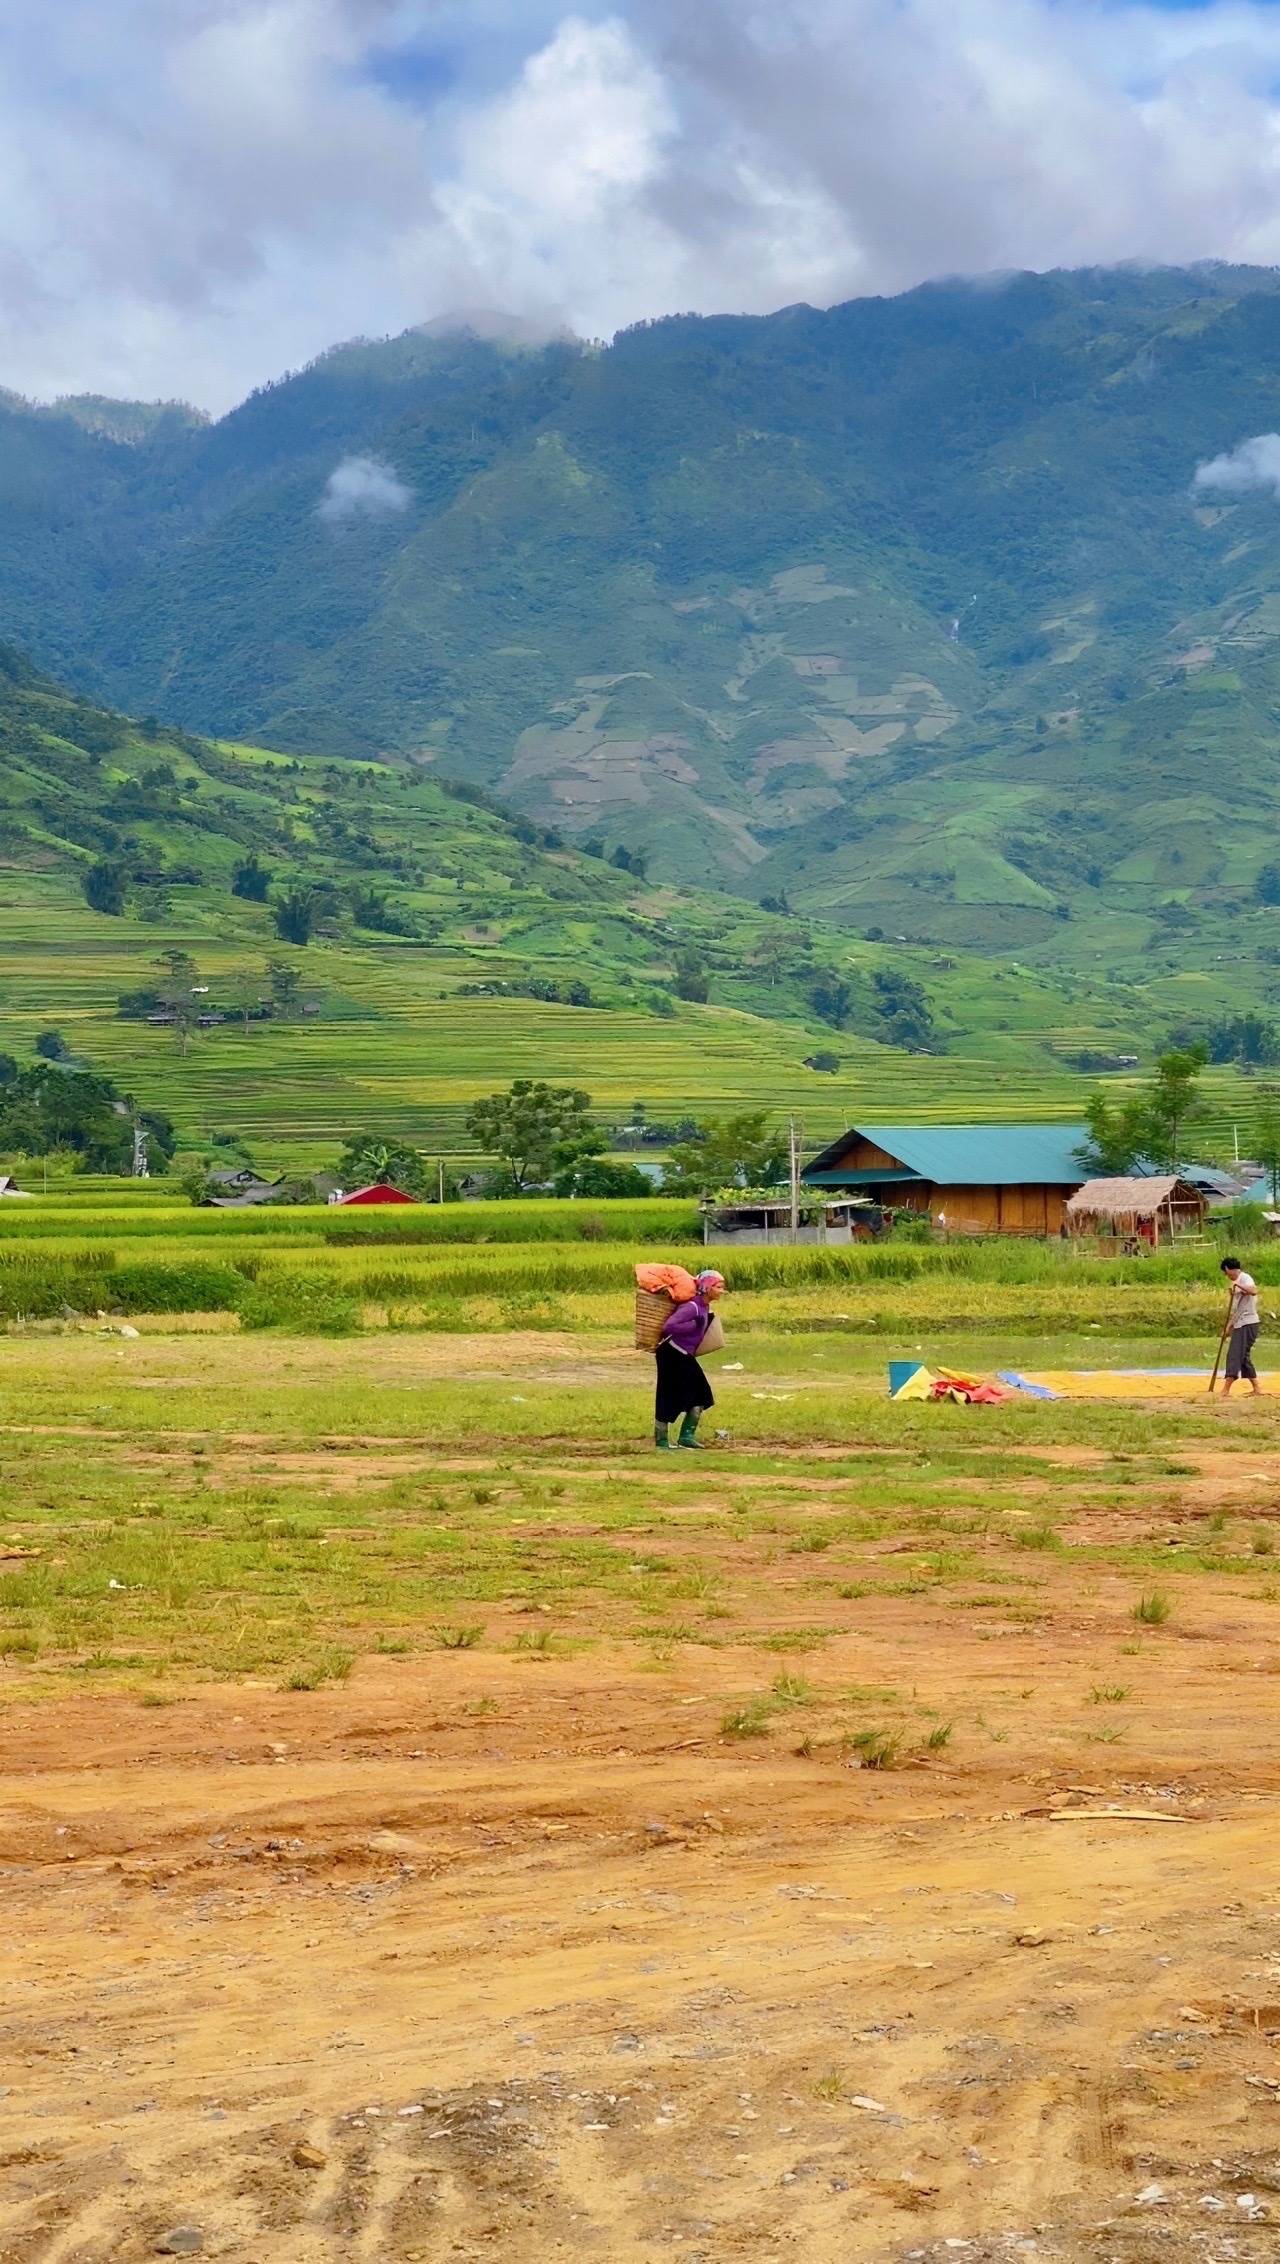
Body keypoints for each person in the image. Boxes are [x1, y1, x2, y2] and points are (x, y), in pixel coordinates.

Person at [654, 1269, 724, 1450]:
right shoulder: (692, 1306)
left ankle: (686, 1437)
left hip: (684, 1355)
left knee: (701, 1394)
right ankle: (662, 1441)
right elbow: (669, 1326)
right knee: (668, 1394)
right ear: (707, 1287)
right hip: (672, 1354)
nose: (721, 1290)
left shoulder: (704, 1306)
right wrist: (694, 1324)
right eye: (718, 1286)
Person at [1219, 1256, 1262, 1397]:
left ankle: (1225, 1390)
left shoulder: (1245, 1278)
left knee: (1234, 1354)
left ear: (1231, 1270)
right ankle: (1257, 1388)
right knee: (1243, 1357)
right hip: (1240, 1323)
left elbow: (1254, 1290)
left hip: (1248, 1323)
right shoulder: (1235, 1283)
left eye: (1227, 1272)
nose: (1227, 1276)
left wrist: (1239, 1287)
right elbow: (1237, 1309)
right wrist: (1229, 1327)